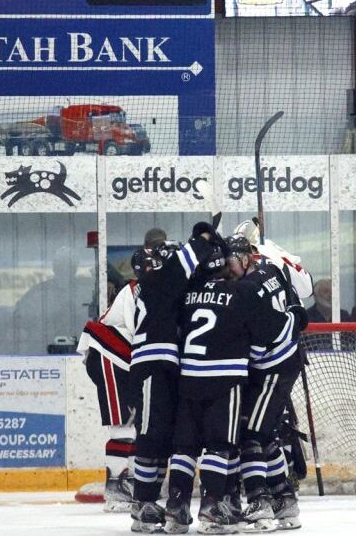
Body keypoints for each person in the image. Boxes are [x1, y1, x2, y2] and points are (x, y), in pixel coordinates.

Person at [162, 236, 306, 534]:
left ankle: (261, 500)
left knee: (249, 435)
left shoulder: (193, 292)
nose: (231, 267)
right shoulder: (263, 275)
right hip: (247, 371)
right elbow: (278, 322)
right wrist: (297, 316)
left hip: (268, 368)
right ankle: (272, 499)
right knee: (247, 437)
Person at [130, 222, 225, 533]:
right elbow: (183, 266)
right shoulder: (157, 280)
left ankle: (150, 501)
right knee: (150, 434)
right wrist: (204, 238)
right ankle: (142, 501)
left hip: (169, 365)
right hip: (150, 365)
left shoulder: (166, 284)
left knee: (166, 436)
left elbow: (193, 280)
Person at [75, 227, 168, 508]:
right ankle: (115, 488)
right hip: (108, 354)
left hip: (117, 357)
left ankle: (125, 481)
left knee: (134, 420)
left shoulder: (149, 286)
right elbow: (140, 334)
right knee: (123, 424)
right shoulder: (140, 289)